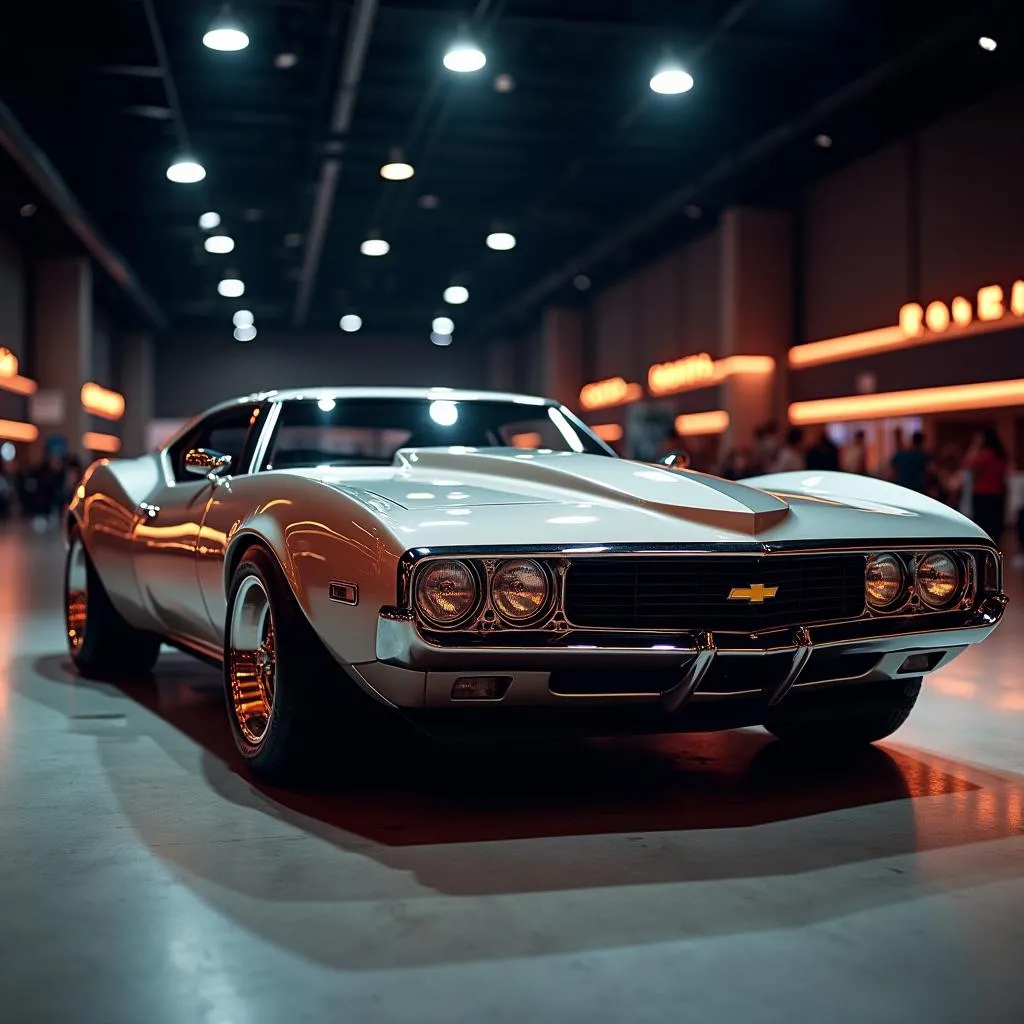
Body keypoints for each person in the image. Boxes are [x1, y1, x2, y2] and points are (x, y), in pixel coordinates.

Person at [963, 428, 1008, 542]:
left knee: (982, 525)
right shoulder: (1001, 455)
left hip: (982, 493)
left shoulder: (984, 455)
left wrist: (974, 448)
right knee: (995, 525)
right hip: (997, 493)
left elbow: (968, 466)